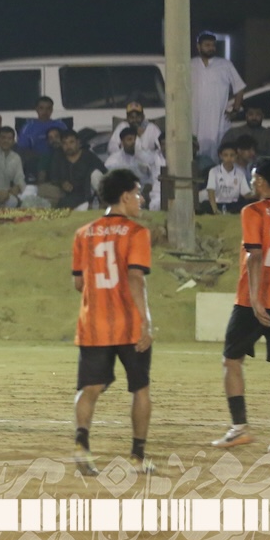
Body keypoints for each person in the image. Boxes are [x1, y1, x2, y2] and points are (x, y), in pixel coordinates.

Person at [211, 157, 270, 456]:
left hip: (251, 301)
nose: (251, 182)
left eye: (254, 178)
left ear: (262, 181)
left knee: (231, 360)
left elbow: (255, 255)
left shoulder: (252, 211)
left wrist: (255, 299)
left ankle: (239, 428)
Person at [69, 169, 156, 476]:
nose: (141, 199)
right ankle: (137, 457)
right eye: (138, 193)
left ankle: (81, 445)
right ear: (125, 196)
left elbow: (79, 283)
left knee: (89, 389)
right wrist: (145, 321)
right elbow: (135, 278)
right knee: (140, 389)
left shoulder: (83, 233)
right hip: (128, 324)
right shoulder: (137, 233)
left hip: (94, 323)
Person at [190, 32, 246, 166]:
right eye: (207, 45)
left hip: (218, 120)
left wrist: (235, 110)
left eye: (213, 45)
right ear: (198, 47)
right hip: (195, 119)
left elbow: (240, 88)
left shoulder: (225, 65)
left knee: (219, 155)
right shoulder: (190, 64)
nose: (211, 48)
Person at [0, 126, 44, 208]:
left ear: (13, 141)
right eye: (3, 138)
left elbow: (20, 178)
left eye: (9, 138)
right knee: (5, 198)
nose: (6, 141)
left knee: (28, 192)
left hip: (6, 194)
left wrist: (18, 187)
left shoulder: (16, 158)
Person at [41, 131, 105, 210]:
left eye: (71, 142)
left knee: (96, 174)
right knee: (42, 190)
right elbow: (54, 176)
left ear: (78, 143)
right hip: (68, 195)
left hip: (88, 193)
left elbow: (103, 173)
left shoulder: (88, 156)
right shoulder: (58, 157)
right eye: (64, 143)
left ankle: (105, 204)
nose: (68, 146)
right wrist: (62, 183)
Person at [103, 127, 160, 210]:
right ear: (122, 142)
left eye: (134, 139)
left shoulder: (145, 157)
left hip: (141, 195)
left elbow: (151, 179)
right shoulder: (113, 160)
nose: (133, 142)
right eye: (129, 139)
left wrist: (146, 189)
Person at [16, 96, 68, 178]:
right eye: (41, 108)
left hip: (59, 160)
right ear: (36, 109)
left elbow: (68, 143)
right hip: (36, 161)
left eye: (48, 108)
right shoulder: (28, 127)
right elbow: (22, 149)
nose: (45, 111)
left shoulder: (60, 125)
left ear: (52, 110)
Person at [201, 143, 251, 214]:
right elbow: (211, 191)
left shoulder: (240, 173)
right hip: (217, 203)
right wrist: (215, 209)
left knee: (246, 204)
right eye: (225, 155)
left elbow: (246, 193)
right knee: (205, 205)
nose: (229, 158)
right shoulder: (214, 171)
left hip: (233, 205)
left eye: (232, 155)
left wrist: (256, 195)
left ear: (236, 156)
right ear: (220, 156)